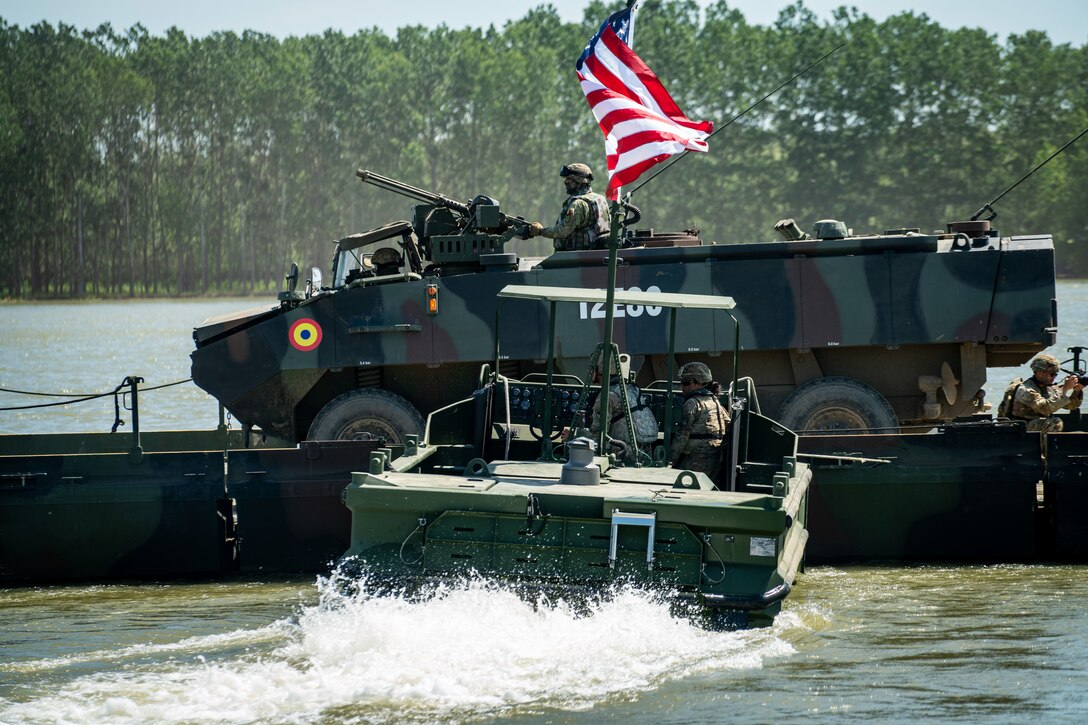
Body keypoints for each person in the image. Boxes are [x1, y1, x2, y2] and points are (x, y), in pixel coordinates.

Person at [588, 356, 658, 465]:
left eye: (592, 369)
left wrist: (572, 437)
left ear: (600, 372)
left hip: (624, 453)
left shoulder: (607, 395)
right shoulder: (632, 388)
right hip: (646, 452)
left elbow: (597, 434)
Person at [528, 163, 610, 251]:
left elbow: (563, 231)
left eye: (569, 179)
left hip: (576, 257)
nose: (565, 181)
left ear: (579, 181)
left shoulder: (578, 204)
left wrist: (540, 231)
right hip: (595, 255)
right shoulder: (600, 199)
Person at [670, 362, 730, 478]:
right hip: (715, 458)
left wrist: (671, 460)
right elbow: (728, 424)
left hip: (695, 459)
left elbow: (682, 435)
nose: (682, 387)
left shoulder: (692, 403)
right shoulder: (714, 401)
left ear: (699, 383)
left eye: (686, 383)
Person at [1010, 353, 1083, 433]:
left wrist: (1077, 390)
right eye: (1052, 374)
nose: (1054, 377)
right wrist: (1065, 389)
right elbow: (1045, 408)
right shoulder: (1026, 389)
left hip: (1035, 425)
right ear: (1039, 373)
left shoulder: (1048, 388)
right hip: (1020, 427)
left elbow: (1071, 405)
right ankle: (1045, 445)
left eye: (1055, 374)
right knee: (1055, 422)